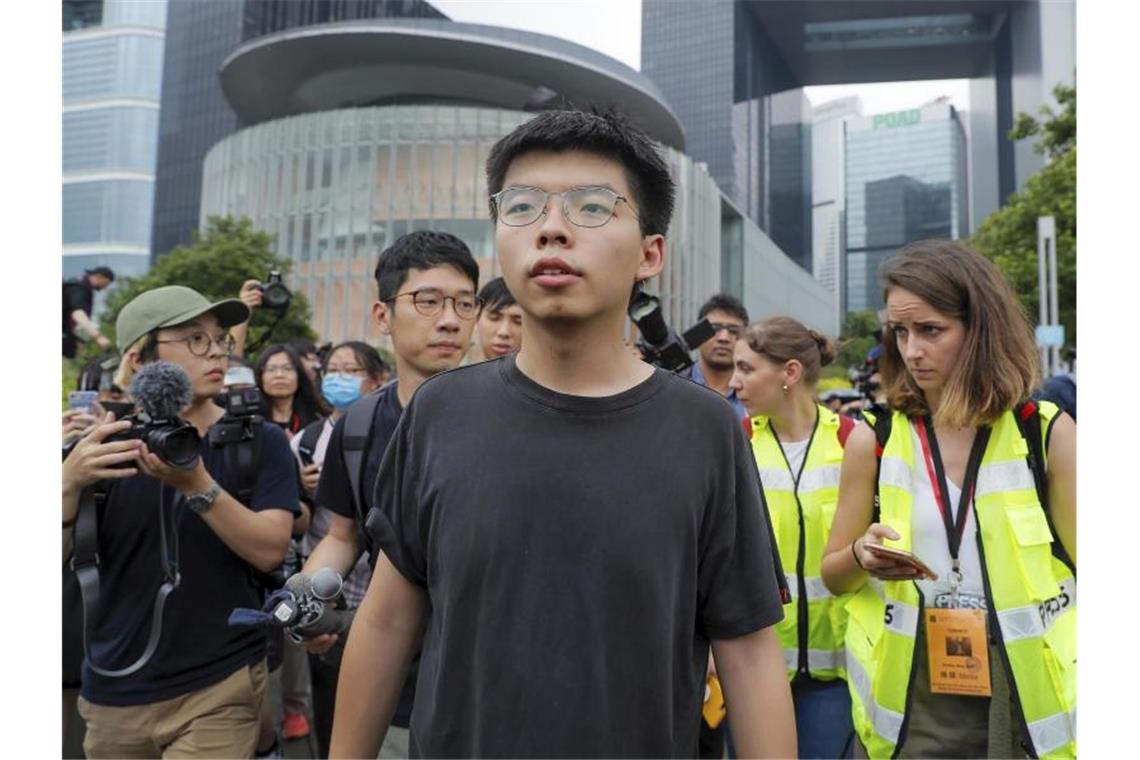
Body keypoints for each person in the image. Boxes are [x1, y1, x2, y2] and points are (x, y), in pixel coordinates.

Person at [330, 108, 795, 758]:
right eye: (521, 207)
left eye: (592, 208)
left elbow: (746, 650)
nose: (551, 229)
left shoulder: (705, 429)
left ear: (650, 253)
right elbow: (386, 619)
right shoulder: (439, 413)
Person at [820, 240, 1076, 759]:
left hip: (1029, 693)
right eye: (900, 331)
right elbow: (833, 574)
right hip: (915, 698)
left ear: (980, 329)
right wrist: (861, 557)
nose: (912, 350)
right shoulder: (874, 439)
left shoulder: (1045, 434)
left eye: (931, 330)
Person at [61, 285, 299, 758]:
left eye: (220, 338)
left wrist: (197, 485)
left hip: (221, 681)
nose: (215, 350)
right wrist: (67, 483)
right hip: (114, 688)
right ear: (139, 359)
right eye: (194, 338)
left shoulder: (258, 441)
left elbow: (271, 549)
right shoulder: (99, 450)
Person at [299, 230, 480, 758]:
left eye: (464, 303)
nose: (449, 319)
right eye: (427, 301)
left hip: (487, 690)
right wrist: (308, 593)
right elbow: (343, 533)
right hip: (389, 685)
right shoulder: (355, 427)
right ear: (383, 315)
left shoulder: (511, 418)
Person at [728, 316, 855, 758]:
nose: (734, 382)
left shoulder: (852, 441)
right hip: (754, 668)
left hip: (836, 671)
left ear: (790, 373)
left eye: (746, 369)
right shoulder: (735, 442)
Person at [290, 340, 390, 757]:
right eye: (334, 369)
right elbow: (339, 535)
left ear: (377, 379)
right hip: (345, 598)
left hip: (399, 608)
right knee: (338, 713)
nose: (339, 378)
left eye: (351, 370)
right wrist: (308, 601)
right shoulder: (314, 438)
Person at [684, 293, 750, 420]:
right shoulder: (672, 384)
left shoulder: (757, 394)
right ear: (698, 334)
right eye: (714, 329)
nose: (723, 338)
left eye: (734, 331)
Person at [255, 343, 332, 438]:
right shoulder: (251, 420)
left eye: (287, 368)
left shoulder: (316, 422)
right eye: (271, 369)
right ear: (260, 376)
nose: (279, 375)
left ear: (299, 376)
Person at [468, 276, 523, 362]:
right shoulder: (452, 373)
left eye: (518, 322)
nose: (504, 332)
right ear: (476, 319)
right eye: (494, 318)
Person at [63, 266, 114, 357]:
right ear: (99, 277)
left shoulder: (80, 286)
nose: (105, 288)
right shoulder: (78, 288)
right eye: (105, 284)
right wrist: (99, 337)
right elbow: (77, 313)